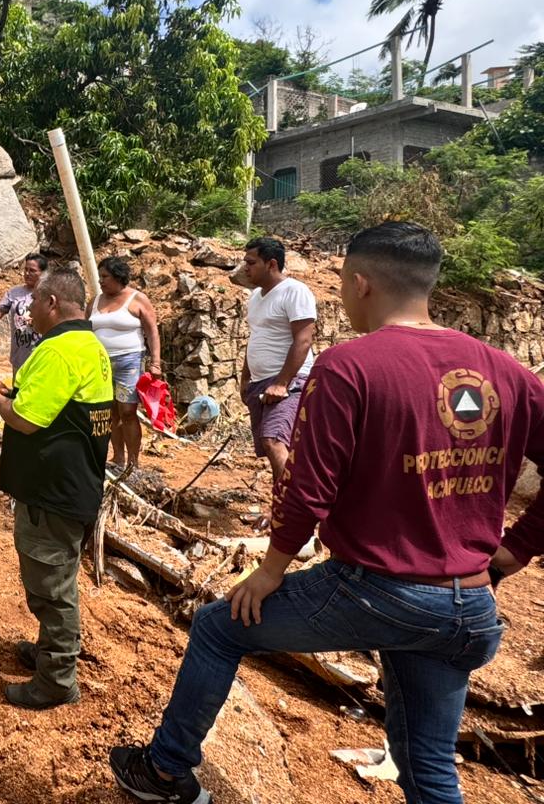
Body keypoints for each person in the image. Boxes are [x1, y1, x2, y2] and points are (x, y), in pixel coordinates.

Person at [110, 222, 544, 804]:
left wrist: (268, 573)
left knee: (218, 629)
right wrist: (512, 552)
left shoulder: (349, 365)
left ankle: (163, 772)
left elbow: (311, 488)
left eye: (342, 282)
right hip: (468, 608)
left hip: (377, 590)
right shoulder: (505, 370)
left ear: (361, 282)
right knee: (429, 769)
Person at [0, 269, 112, 710]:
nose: (28, 310)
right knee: (59, 577)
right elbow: (54, 406)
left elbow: (27, 420)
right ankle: (52, 650)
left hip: (52, 492)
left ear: (52, 302)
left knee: (51, 586)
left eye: (33, 302)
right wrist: (10, 393)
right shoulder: (88, 345)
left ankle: (56, 679)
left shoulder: (59, 351)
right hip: (72, 486)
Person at [239, 236, 316, 496]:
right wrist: (245, 379)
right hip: (262, 383)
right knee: (275, 448)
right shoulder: (256, 298)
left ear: (271, 264)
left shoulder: (295, 291)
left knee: (273, 441)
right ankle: (280, 510)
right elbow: (255, 338)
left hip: (289, 383)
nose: (245, 268)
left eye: (251, 262)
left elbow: (303, 339)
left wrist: (282, 383)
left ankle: (293, 514)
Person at [90, 256, 161, 467]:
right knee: (110, 411)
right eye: (100, 276)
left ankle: (133, 461)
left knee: (128, 411)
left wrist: (155, 362)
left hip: (129, 361)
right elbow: (84, 328)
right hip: (101, 364)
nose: (101, 281)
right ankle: (117, 456)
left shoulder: (137, 299)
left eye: (105, 276)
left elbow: (152, 330)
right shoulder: (95, 301)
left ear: (118, 277)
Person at [0, 253, 49, 378]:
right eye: (25, 269)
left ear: (42, 273)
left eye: (32, 271)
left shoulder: (49, 294)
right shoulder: (14, 293)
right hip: (19, 355)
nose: (27, 273)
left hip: (41, 354)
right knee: (17, 393)